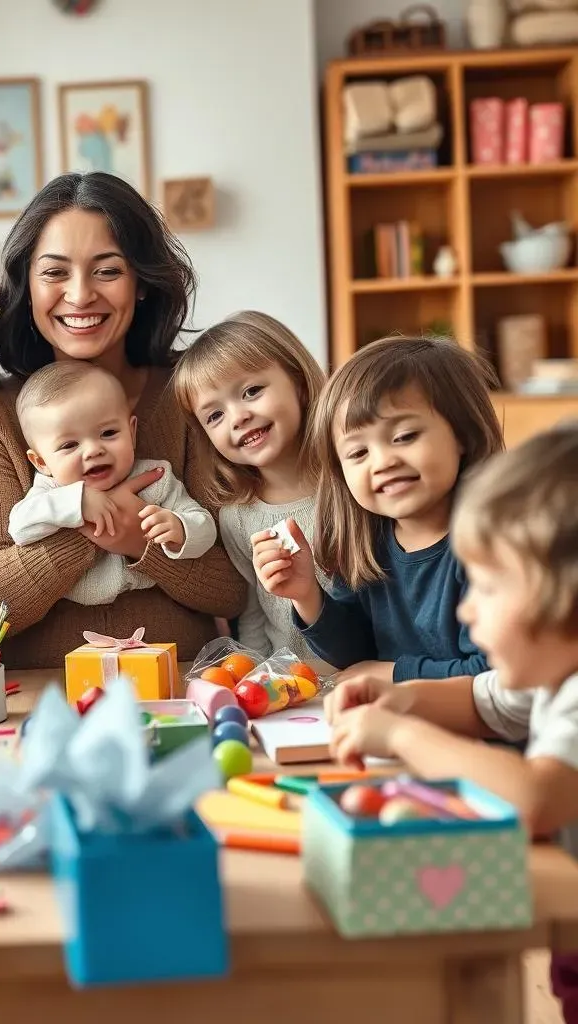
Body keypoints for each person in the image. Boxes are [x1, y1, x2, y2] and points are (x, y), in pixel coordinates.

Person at [323, 425, 578, 1023]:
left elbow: (537, 799)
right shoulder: (552, 678)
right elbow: (480, 698)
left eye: (487, 587)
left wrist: (403, 736)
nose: (467, 608)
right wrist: (400, 699)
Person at [0, 171, 244, 667]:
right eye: (55, 272)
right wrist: (89, 520)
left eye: (107, 270)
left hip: (181, 690)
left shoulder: (190, 393)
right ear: (28, 284)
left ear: (142, 283)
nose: (81, 294)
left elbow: (232, 588)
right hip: (41, 701)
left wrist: (139, 541)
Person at [251, 336, 501, 688]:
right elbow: (355, 656)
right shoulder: (368, 543)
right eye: (357, 453)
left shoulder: (494, 546)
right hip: (394, 725)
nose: (383, 461)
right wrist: (307, 594)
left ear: (462, 434)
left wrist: (395, 674)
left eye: (404, 436)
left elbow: (498, 677)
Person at [174, 310, 332, 672]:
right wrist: (256, 675)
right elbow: (254, 616)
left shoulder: (349, 489)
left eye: (251, 391)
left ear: (300, 384)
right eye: (214, 416)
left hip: (365, 679)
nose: (238, 416)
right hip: (290, 689)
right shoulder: (237, 517)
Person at [9, 360, 216, 605]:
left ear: (132, 432)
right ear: (41, 462)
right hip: (80, 623)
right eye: (69, 445)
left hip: (146, 610)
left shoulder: (156, 477)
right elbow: (20, 529)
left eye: (108, 433)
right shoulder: (50, 490)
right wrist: (77, 503)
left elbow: (206, 528)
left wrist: (181, 528)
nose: (93, 451)